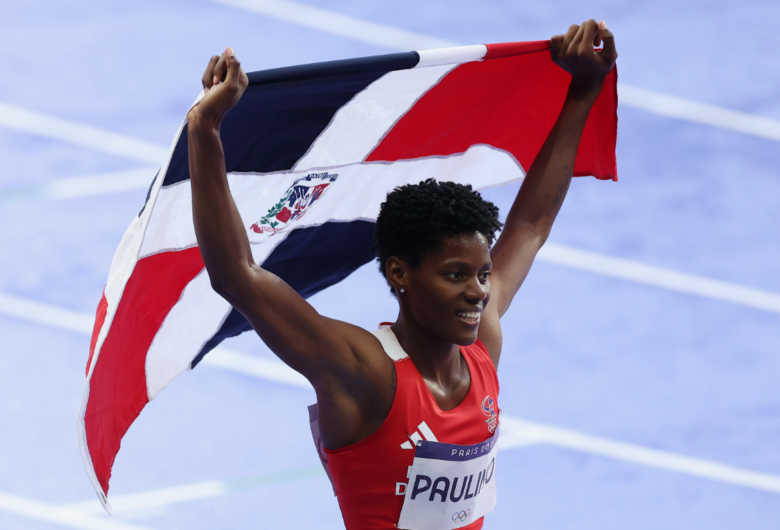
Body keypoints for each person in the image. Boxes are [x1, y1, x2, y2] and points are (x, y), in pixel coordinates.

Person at [187, 19, 616, 530]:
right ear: (400, 273)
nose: (478, 293)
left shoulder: (482, 346)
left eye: (482, 274)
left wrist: (582, 93)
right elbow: (237, 276)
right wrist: (205, 130)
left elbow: (530, 225)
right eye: (455, 276)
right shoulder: (362, 372)